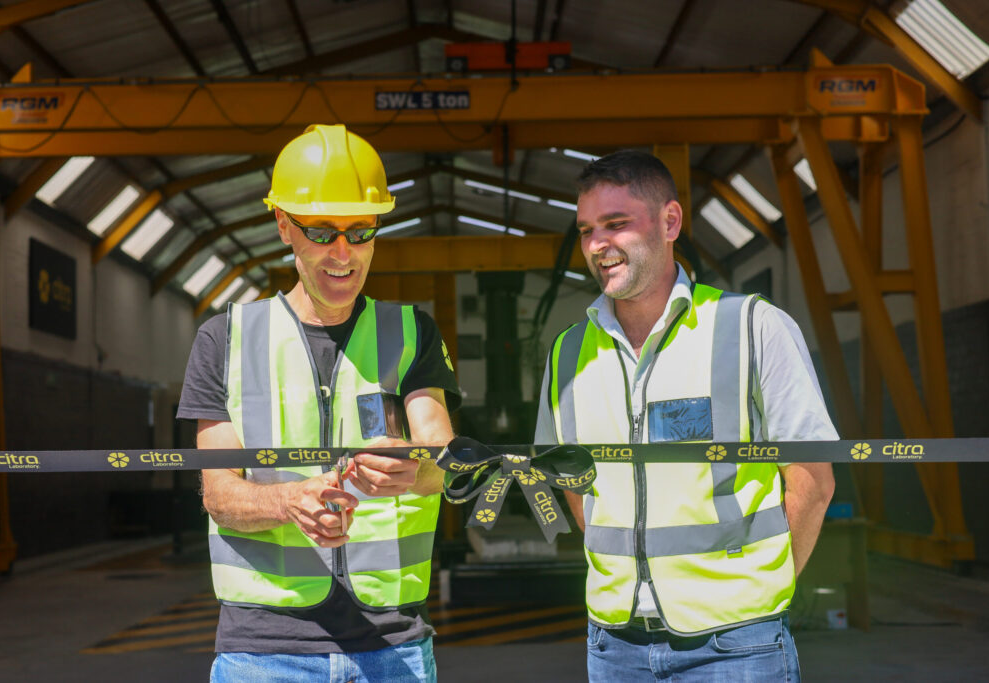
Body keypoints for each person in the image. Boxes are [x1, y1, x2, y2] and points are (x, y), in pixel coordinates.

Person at [534, 150, 836, 681]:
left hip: (738, 644)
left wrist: (763, 594)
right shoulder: (567, 352)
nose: (598, 245)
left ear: (670, 221)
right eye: (586, 230)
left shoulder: (753, 327)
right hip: (613, 645)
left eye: (616, 224)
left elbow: (812, 478)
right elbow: (572, 481)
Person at [177, 124, 459, 682]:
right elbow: (218, 491)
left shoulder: (410, 332)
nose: (343, 252)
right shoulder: (224, 339)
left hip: (392, 645)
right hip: (263, 651)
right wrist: (288, 501)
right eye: (322, 230)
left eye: (361, 230)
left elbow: (446, 462)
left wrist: (413, 467)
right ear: (284, 225)